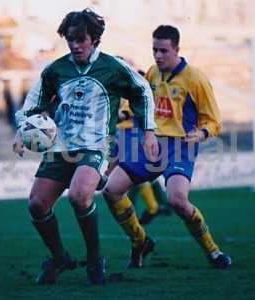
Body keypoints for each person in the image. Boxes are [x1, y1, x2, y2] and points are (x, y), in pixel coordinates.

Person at [13, 9, 158, 285]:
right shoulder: (55, 70)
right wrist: (23, 131)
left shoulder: (113, 67)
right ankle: (59, 258)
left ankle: (94, 259)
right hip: (61, 146)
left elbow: (142, 91)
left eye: (81, 39)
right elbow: (32, 104)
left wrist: (148, 131)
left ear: (94, 39)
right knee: (36, 204)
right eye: (70, 39)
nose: (75, 45)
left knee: (80, 195)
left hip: (97, 146)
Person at [102, 25, 232, 269]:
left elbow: (213, 119)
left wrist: (203, 132)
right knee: (111, 190)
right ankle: (140, 241)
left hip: (180, 146)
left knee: (177, 200)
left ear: (177, 49)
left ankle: (213, 251)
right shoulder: (152, 73)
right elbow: (145, 104)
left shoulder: (195, 78)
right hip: (150, 143)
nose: (158, 56)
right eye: (154, 50)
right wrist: (127, 114)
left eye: (163, 50)